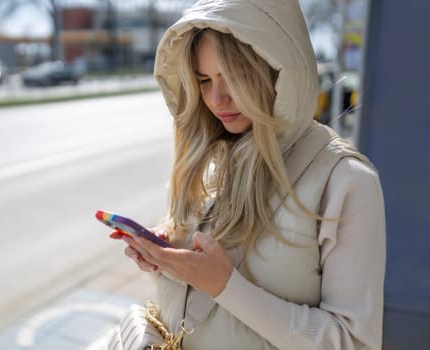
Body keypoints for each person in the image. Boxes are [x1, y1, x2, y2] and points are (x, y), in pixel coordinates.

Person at [110, 0, 386, 349]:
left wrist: (226, 286)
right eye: (204, 79)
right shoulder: (209, 158)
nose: (217, 98)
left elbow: (355, 343)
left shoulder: (346, 181)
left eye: (234, 76)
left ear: (279, 68)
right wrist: (165, 255)